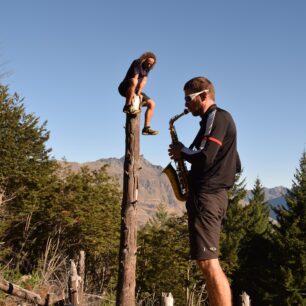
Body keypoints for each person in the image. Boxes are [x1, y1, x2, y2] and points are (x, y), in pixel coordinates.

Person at [168, 76, 241, 306]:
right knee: (206, 262)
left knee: (209, 263)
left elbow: (206, 156)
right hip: (211, 196)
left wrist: (182, 152)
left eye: (188, 99)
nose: (185, 105)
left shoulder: (216, 117)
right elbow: (236, 164)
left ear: (203, 96)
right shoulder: (213, 121)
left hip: (207, 197)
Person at [118, 52, 158, 136]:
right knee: (134, 81)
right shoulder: (137, 62)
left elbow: (144, 80)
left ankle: (146, 128)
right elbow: (135, 77)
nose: (150, 65)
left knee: (152, 104)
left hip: (135, 90)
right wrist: (135, 94)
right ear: (144, 60)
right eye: (148, 63)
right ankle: (127, 106)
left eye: (152, 64)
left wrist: (139, 93)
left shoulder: (148, 68)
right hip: (125, 87)